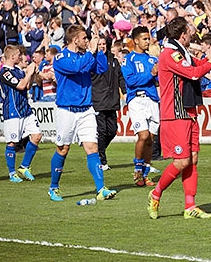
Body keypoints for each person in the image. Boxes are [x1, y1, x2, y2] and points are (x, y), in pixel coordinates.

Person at [148, 17, 211, 220]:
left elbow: (201, 64)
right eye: (190, 31)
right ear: (183, 34)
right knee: (182, 161)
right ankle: (155, 194)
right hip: (175, 113)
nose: (193, 34)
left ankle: (190, 206)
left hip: (189, 111)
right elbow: (194, 73)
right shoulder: (170, 55)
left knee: (193, 160)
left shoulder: (182, 53)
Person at [48, 24, 117, 202]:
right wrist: (91, 52)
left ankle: (101, 189)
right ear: (75, 40)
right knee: (63, 149)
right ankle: (53, 187)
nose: (87, 41)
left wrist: (99, 51)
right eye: (84, 38)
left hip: (86, 109)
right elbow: (77, 68)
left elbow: (101, 68)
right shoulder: (61, 57)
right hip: (67, 110)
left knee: (92, 148)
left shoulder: (85, 55)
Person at [122, 26, 159, 187]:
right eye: (144, 38)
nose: (147, 41)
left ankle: (146, 173)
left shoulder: (153, 59)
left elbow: (158, 80)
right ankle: (137, 170)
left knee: (150, 139)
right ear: (136, 40)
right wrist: (150, 74)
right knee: (143, 136)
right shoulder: (128, 59)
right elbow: (131, 81)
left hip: (152, 100)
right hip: (136, 100)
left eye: (148, 38)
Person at [0, 45, 42, 182]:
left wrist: (33, 73)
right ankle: (12, 173)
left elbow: (27, 86)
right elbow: (20, 86)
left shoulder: (18, 70)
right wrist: (28, 73)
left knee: (37, 136)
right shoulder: (4, 72)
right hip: (13, 111)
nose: (21, 57)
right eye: (18, 55)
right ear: (12, 57)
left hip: (25, 110)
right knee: (12, 143)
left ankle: (24, 166)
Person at [91, 37, 125, 170]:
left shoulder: (114, 61)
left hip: (112, 100)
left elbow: (120, 77)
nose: (102, 46)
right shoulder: (92, 60)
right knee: (102, 131)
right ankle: (102, 161)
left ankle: (97, 151)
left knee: (112, 131)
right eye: (99, 44)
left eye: (104, 44)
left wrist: (124, 91)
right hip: (98, 99)